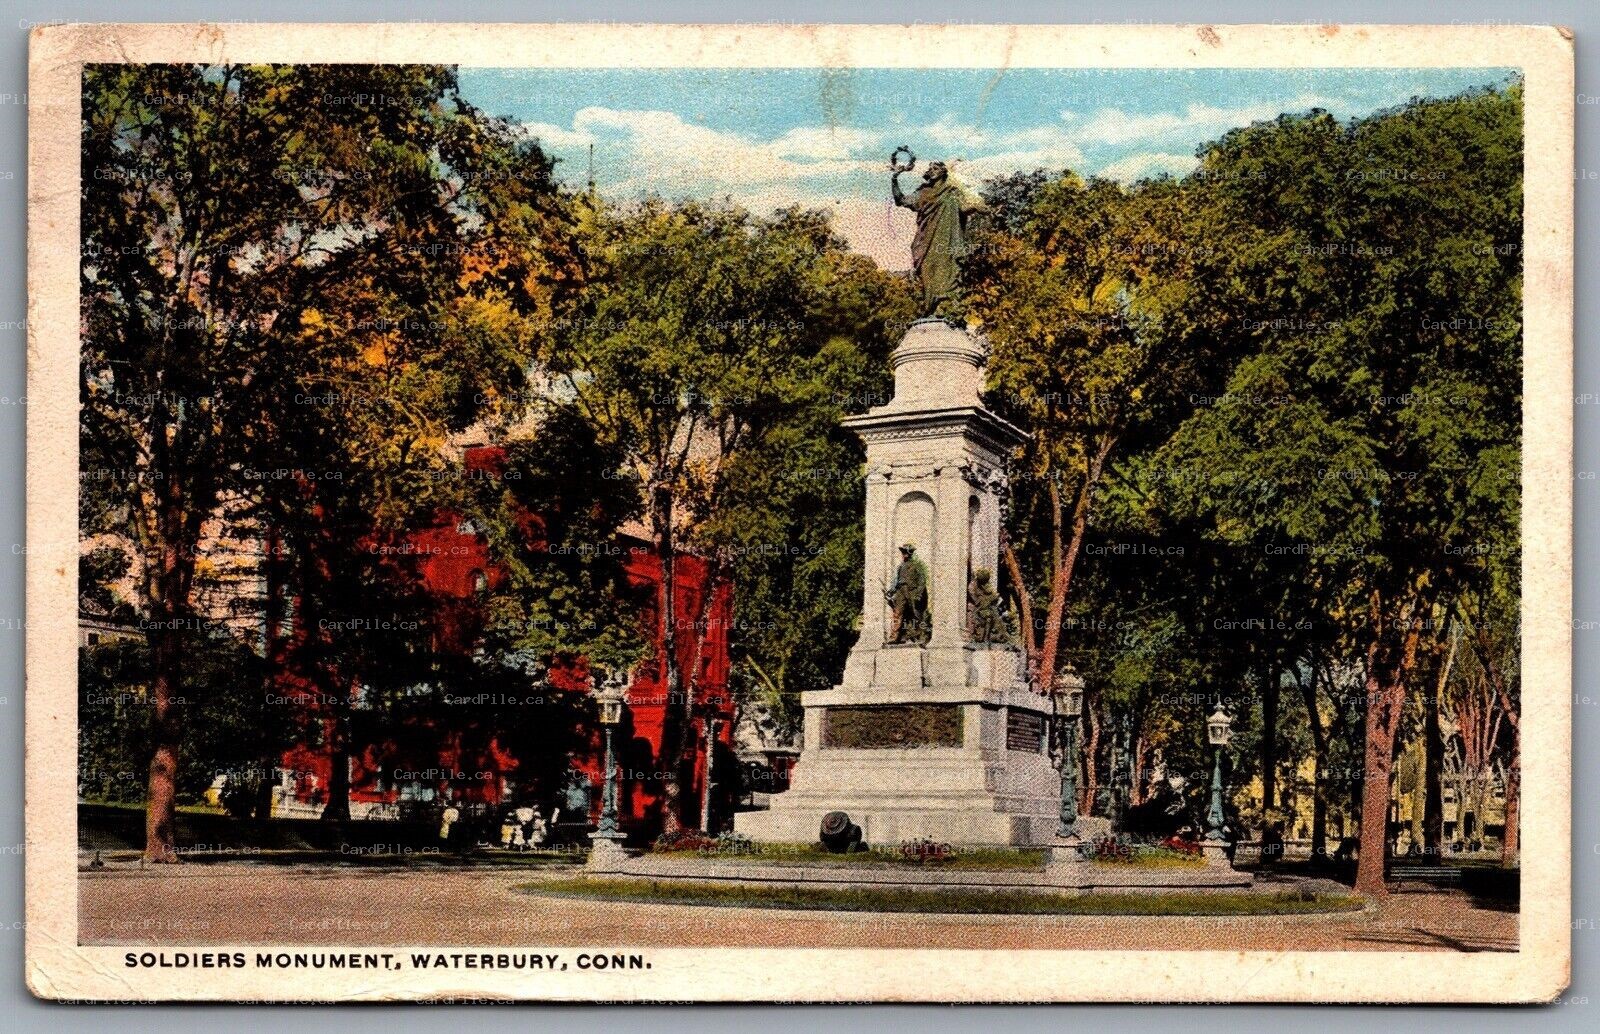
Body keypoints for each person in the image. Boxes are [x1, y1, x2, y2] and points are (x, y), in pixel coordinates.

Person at [891, 158, 986, 316]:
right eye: (931, 168)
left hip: (948, 240)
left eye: (936, 168)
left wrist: (976, 207)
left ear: (943, 171)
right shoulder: (923, 192)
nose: (933, 170)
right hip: (926, 241)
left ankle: (945, 308)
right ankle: (930, 309)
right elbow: (900, 200)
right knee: (928, 272)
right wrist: (894, 178)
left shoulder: (952, 191)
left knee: (948, 270)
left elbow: (962, 209)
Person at [884, 543, 931, 644]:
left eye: (905, 552)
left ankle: (916, 636)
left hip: (912, 591)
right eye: (903, 552)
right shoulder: (900, 567)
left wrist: (918, 594)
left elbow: (922, 581)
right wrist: (891, 591)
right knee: (897, 613)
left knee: (915, 615)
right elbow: (897, 581)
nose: (904, 554)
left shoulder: (917, 566)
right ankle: (894, 637)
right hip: (901, 591)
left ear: (910, 553)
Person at [966, 568, 1007, 643]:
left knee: (996, 616)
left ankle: (1001, 634)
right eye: (984, 581)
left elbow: (991, 592)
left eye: (986, 581)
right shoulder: (972, 586)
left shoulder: (986, 583)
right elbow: (977, 601)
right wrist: (988, 599)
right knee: (988, 616)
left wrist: (994, 597)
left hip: (988, 606)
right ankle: (985, 638)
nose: (985, 583)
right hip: (978, 608)